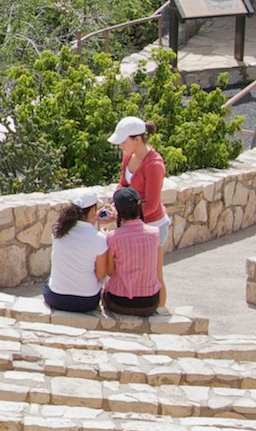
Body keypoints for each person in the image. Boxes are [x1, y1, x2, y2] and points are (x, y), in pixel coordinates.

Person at [98, 187, 164, 316]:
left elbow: (110, 272)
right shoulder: (155, 233)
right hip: (149, 302)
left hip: (119, 302)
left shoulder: (113, 237)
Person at [43, 190, 109, 313]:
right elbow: (100, 275)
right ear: (93, 210)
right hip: (87, 301)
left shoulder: (58, 230)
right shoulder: (99, 238)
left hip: (57, 298)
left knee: (49, 280)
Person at [109, 115, 169, 247]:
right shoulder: (128, 155)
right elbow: (123, 184)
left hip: (153, 226)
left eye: (123, 142)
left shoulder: (154, 165)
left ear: (137, 139)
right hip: (134, 225)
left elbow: (151, 205)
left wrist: (123, 215)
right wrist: (116, 203)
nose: (120, 146)